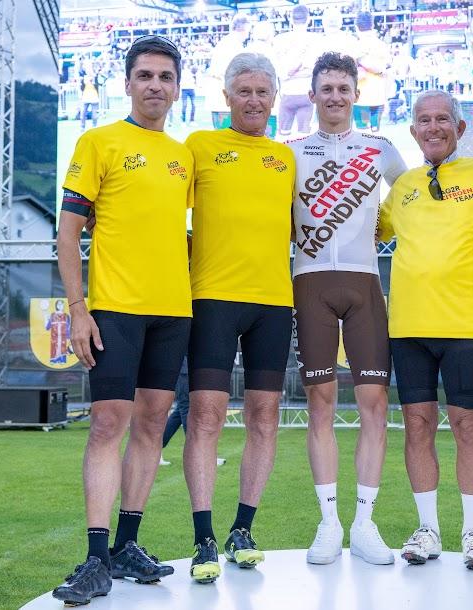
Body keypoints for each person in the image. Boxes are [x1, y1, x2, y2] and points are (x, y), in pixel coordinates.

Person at [52, 35, 193, 606]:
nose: (155, 85)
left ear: (178, 88)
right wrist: (78, 308)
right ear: (128, 83)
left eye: (165, 77)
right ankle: (93, 556)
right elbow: (67, 233)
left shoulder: (184, 156)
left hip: (173, 311)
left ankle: (126, 545)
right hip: (113, 308)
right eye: (146, 76)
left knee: (152, 425)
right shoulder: (97, 141)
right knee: (109, 423)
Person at [287, 52, 407, 566]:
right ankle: (328, 521)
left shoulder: (380, 149)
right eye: (326, 88)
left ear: (356, 94)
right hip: (309, 283)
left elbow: (414, 204)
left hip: (364, 284)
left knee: (375, 404)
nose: (335, 97)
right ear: (311, 96)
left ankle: (365, 522)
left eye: (343, 88)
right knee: (319, 403)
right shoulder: (289, 153)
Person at [183, 53, 295, 584]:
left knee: (264, 417)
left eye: (262, 92)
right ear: (226, 97)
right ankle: (203, 536)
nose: (253, 100)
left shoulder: (285, 158)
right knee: (205, 415)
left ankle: (242, 529)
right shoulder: (198, 147)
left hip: (274, 303)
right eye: (244, 91)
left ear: (274, 99)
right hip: (212, 300)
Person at [378, 89, 473, 571]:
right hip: (407, 327)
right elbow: (369, 231)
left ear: (460, 128)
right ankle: (427, 528)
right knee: (417, 426)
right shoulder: (403, 186)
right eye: (423, 121)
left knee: (468, 425)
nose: (433, 128)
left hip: (463, 325)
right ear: (413, 132)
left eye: (442, 120)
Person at [273, 4, 319, 137]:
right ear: (309, 19)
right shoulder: (315, 39)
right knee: (304, 137)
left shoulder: (279, 40)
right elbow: (315, 70)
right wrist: (303, 71)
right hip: (307, 94)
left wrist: (289, 74)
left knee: (284, 138)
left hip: (287, 93)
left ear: (290, 19)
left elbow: (280, 71)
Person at [353, 12, 391, 133]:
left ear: (356, 26)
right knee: (375, 132)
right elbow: (387, 70)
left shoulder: (355, 46)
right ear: (373, 25)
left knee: (362, 133)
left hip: (361, 97)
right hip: (378, 96)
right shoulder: (382, 45)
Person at [45, 299, 71, 365]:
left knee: (62, 348)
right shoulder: (52, 315)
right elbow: (48, 327)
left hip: (63, 337)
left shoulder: (66, 316)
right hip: (54, 337)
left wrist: (68, 336)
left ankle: (62, 360)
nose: (60, 306)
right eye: (59, 304)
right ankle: (53, 361)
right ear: (56, 305)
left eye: (61, 304)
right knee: (54, 348)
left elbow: (68, 327)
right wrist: (46, 318)